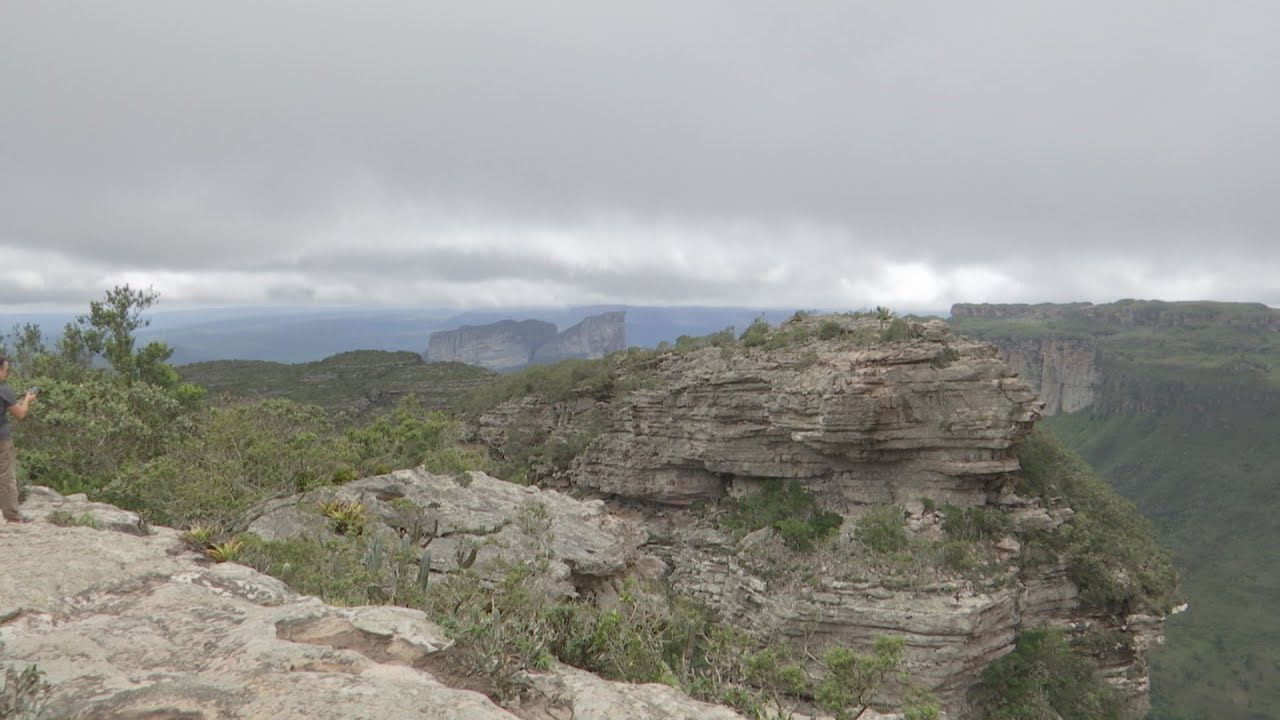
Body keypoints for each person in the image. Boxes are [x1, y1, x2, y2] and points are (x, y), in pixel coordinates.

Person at [0, 356, 37, 523]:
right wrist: (27, 400)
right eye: (6, 370)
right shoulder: (4, 390)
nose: (6, 373)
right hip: (2, 439)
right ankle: (12, 515)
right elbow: (20, 413)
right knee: (6, 476)